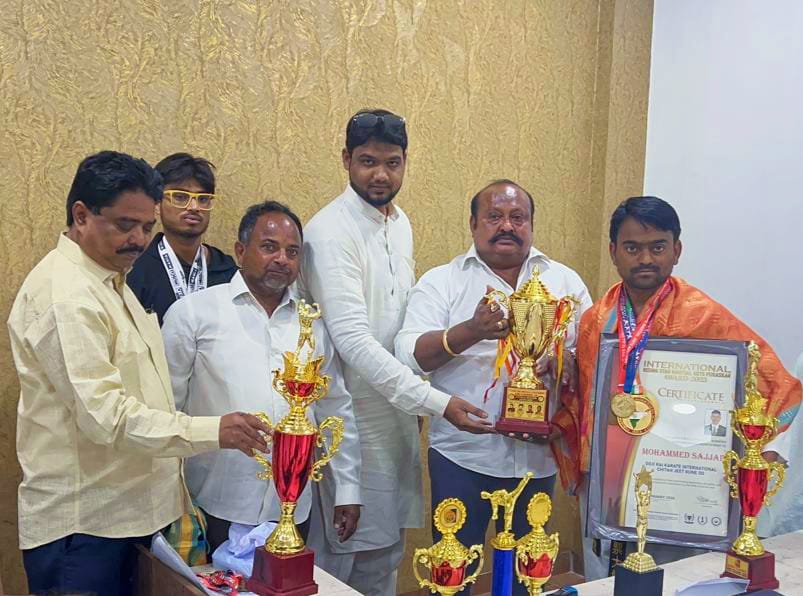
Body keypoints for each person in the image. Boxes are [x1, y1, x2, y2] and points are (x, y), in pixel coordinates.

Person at [7, 151, 269, 596]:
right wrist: (213, 431)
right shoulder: (67, 297)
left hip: (128, 518)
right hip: (85, 528)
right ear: (81, 215)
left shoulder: (110, 279)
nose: (139, 240)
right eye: (126, 225)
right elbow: (107, 418)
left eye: (147, 227)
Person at [300, 109, 492, 595]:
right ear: (346, 159)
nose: (380, 175)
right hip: (348, 422)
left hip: (397, 417)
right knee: (339, 565)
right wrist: (436, 402)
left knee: (385, 558)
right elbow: (352, 342)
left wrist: (418, 401)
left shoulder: (399, 222)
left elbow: (402, 326)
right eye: (368, 161)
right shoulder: (329, 232)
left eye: (392, 163)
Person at [569, 196, 801, 579]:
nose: (645, 258)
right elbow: (582, 400)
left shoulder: (707, 318)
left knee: (676, 577)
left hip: (684, 476)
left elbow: (776, 384)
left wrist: (763, 452)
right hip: (611, 479)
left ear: (676, 250)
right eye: (632, 248)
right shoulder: (595, 321)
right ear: (613, 252)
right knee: (608, 579)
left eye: (657, 247)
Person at [395, 180, 592, 595]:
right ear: (473, 224)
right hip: (462, 455)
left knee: (528, 576)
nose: (507, 226)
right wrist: (471, 330)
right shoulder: (443, 280)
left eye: (518, 217)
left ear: (531, 224)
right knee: (452, 576)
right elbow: (410, 355)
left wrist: (566, 364)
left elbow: (591, 356)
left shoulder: (564, 281)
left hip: (537, 457)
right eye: (494, 217)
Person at [161, 201, 361, 552]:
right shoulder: (193, 314)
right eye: (269, 247)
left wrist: (347, 489)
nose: (282, 259)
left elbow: (335, 408)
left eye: (292, 252)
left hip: (293, 507)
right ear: (240, 252)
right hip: (212, 502)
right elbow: (166, 409)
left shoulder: (312, 325)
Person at [128, 152, 238, 324]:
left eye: (203, 199)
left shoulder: (227, 271)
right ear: (157, 204)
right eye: (180, 197)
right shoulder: (135, 269)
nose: (194, 207)